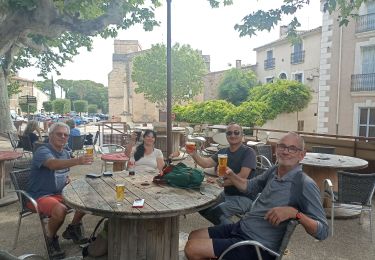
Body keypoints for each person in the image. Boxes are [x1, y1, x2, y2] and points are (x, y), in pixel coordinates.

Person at [184, 132, 329, 260]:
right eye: (282, 146)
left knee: (192, 248)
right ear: (276, 149)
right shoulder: (274, 171)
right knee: (194, 235)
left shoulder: (304, 184)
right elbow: (249, 186)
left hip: (257, 246)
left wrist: (295, 214)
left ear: (301, 155)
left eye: (292, 148)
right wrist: (232, 175)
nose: (285, 151)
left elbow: (322, 232)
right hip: (242, 228)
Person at [27, 122, 94, 259]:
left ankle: (73, 228)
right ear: (50, 135)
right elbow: (52, 164)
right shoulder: (42, 150)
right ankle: (50, 238)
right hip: (39, 195)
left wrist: (67, 179)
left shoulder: (65, 152)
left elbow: (62, 170)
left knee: (88, 198)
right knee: (60, 210)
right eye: (59, 134)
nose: (63, 137)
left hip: (59, 193)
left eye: (66, 135)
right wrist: (78, 160)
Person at [186, 123, 257, 225]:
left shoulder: (249, 152)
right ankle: (229, 228)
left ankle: (234, 232)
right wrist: (194, 154)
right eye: (229, 133)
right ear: (226, 136)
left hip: (245, 197)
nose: (232, 135)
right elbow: (206, 163)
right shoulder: (223, 151)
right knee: (201, 206)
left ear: (242, 135)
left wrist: (220, 182)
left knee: (217, 212)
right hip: (227, 194)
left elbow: (242, 177)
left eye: (236, 132)